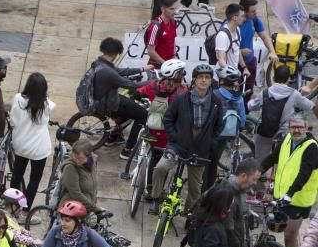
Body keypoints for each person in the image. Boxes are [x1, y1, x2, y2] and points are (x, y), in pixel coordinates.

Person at [150, 63, 225, 213]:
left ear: (211, 81)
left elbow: (219, 126)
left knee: (195, 187)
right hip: (177, 145)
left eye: (207, 78)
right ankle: (156, 198)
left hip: (200, 149)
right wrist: (174, 137)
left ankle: (190, 213)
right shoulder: (182, 98)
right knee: (160, 168)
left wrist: (211, 143)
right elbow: (168, 119)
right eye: (201, 77)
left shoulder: (216, 102)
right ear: (194, 80)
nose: (204, 80)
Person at [261, 114, 318, 247]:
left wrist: (289, 194)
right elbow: (274, 157)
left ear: (307, 127)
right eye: (294, 127)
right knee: (287, 234)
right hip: (284, 196)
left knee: (291, 233)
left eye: (300, 126)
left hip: (299, 199)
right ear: (289, 128)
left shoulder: (312, 147)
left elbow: (304, 174)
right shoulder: (286, 139)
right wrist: (258, 169)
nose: (297, 130)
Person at [134, 58, 187, 198]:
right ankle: (157, 191)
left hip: (152, 131)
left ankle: (149, 186)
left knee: (154, 157)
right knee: (165, 163)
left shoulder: (155, 85)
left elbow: (137, 94)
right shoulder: (181, 92)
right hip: (169, 135)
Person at [89, 37, 149, 150]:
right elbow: (131, 85)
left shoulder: (99, 63)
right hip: (109, 104)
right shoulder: (108, 72)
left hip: (102, 99)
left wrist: (142, 69)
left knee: (131, 104)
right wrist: (152, 82)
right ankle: (128, 149)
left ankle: (114, 136)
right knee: (143, 115)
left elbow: (121, 71)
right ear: (116, 53)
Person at [248, 65, 314, 160]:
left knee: (260, 162)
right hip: (284, 135)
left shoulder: (265, 93)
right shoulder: (294, 94)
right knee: (284, 160)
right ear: (288, 79)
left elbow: (251, 106)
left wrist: (251, 99)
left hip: (264, 132)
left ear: (274, 77)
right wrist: (302, 94)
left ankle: (261, 173)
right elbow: (310, 106)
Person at [8, 72, 54, 208]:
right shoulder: (46, 105)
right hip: (38, 149)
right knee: (34, 180)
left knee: (16, 175)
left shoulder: (17, 99)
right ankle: (25, 211)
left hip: (20, 145)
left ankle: (13, 206)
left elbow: (14, 120)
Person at [223, 158, 262, 247]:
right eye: (254, 179)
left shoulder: (237, 190)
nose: (255, 183)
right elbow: (228, 230)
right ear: (244, 176)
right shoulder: (227, 194)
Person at [238, 0, 276, 101]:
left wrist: (272, 52)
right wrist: (240, 51)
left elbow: (264, 37)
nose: (256, 13)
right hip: (234, 64)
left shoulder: (254, 20)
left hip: (250, 62)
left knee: (248, 92)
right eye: (252, 11)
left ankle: (246, 113)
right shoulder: (233, 23)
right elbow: (223, 47)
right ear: (244, 11)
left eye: (256, 10)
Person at [56, 138, 100, 215]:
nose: (76, 160)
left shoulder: (92, 162)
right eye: (74, 156)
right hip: (72, 210)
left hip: (86, 206)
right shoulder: (70, 168)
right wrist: (95, 208)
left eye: (80, 158)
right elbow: (75, 194)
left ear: (88, 156)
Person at [213, 3, 248, 77]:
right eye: (242, 16)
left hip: (232, 75)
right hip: (223, 78)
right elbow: (221, 61)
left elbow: (237, 51)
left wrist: (244, 67)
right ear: (234, 18)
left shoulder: (237, 30)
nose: (244, 19)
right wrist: (231, 76)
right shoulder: (223, 35)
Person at [145, 0, 178, 68]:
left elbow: (172, 40)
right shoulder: (155, 27)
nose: (175, 12)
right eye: (171, 9)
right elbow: (150, 51)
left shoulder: (173, 22)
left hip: (169, 66)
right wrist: (165, 64)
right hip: (156, 68)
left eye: (175, 8)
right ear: (163, 9)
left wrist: (174, 56)